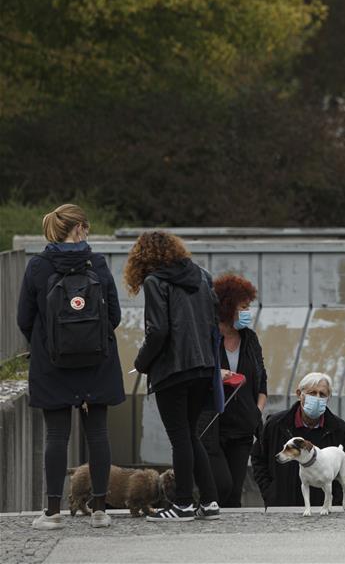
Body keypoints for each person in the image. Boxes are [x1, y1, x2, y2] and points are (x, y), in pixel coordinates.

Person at [17, 204, 125, 530]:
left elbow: (25, 319)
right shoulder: (99, 263)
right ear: (79, 229)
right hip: (97, 362)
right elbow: (115, 315)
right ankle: (101, 511)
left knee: (56, 437)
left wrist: (47, 344)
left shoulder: (38, 266)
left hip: (53, 364)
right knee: (98, 436)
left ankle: (52, 512)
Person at [125, 231, 220, 522]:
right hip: (204, 367)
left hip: (173, 370)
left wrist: (141, 363)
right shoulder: (202, 276)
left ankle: (183, 504)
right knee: (191, 436)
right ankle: (210, 501)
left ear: (143, 258)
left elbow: (159, 331)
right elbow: (213, 318)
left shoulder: (155, 282)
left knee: (179, 437)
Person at [199, 274, 268, 508]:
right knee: (222, 484)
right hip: (213, 425)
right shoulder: (207, 337)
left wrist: (257, 411)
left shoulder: (249, 338)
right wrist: (216, 375)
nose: (248, 312)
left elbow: (262, 380)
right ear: (228, 307)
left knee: (234, 492)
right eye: (243, 307)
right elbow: (195, 373)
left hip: (243, 427)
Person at [251, 373, 345, 508]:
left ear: (328, 398)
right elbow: (258, 458)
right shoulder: (276, 424)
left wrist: (336, 504)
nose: (317, 398)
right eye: (312, 393)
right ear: (299, 394)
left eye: (322, 394)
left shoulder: (338, 429)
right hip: (282, 506)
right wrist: (271, 493)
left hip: (323, 511)